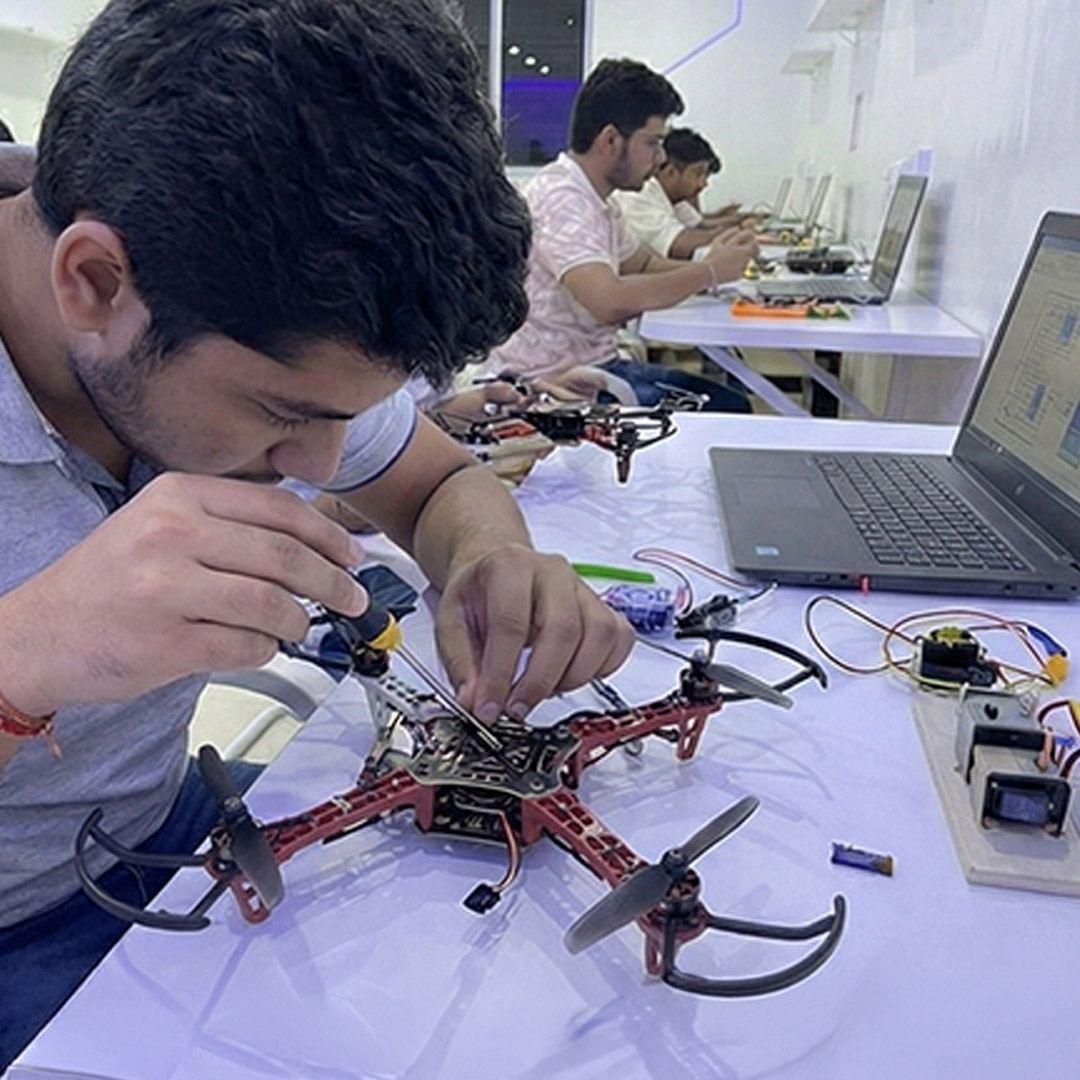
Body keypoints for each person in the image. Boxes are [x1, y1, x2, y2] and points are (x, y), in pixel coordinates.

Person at [0, 0, 634, 1065]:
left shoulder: (236, 295)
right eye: (285, 416)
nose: (324, 465)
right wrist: (24, 658)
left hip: (166, 841)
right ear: (93, 283)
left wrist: (488, 561)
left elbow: (438, 483)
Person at [472, 59, 759, 413]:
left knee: (728, 403)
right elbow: (609, 301)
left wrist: (711, 262)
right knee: (730, 409)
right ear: (610, 139)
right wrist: (710, 272)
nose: (660, 158)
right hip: (553, 387)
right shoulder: (562, 198)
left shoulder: (598, 199)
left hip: (596, 368)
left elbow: (643, 264)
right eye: (653, 143)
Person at [616, 127, 756, 260]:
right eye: (698, 174)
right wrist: (739, 230)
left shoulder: (674, 198)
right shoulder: (639, 196)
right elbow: (679, 245)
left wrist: (740, 223)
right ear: (671, 172)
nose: (703, 184)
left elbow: (700, 226)